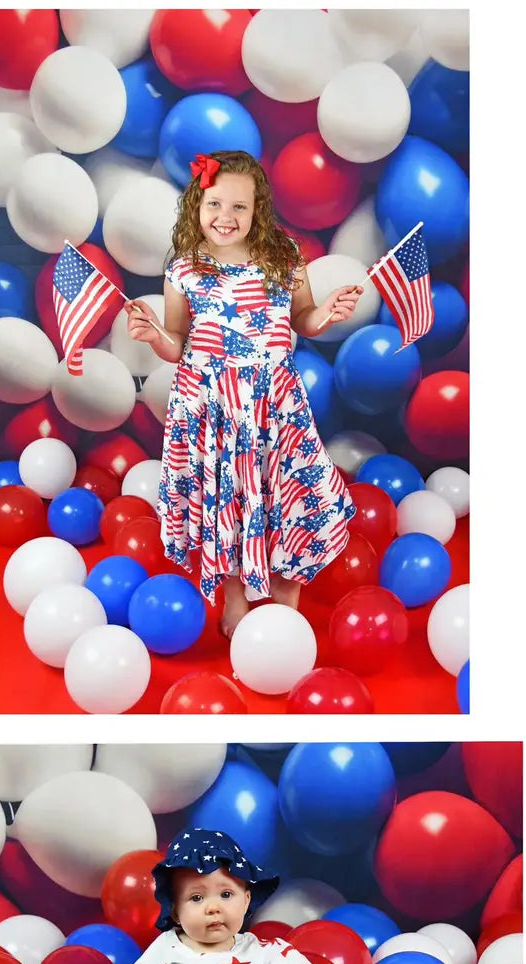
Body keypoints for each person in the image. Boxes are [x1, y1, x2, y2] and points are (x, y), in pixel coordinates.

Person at [124, 149, 361, 636]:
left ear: (258, 210)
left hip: (274, 402)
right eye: (214, 205)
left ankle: (286, 598)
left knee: (290, 495)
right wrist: (154, 338)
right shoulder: (185, 270)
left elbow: (303, 319)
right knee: (225, 501)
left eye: (239, 207)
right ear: (197, 206)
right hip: (210, 406)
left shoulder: (285, 256)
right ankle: (234, 599)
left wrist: (328, 313)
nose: (225, 217)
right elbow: (177, 343)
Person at [111, 828, 335, 964]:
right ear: (175, 912)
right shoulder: (164, 949)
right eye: (196, 898)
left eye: (226, 895)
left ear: (246, 900)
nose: (213, 908)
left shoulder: (255, 951)